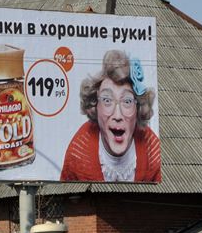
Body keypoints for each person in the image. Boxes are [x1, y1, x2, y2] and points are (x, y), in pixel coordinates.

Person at [60, 49, 160, 182]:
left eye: (127, 101)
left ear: (138, 109)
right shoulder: (78, 151)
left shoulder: (153, 150)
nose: (117, 115)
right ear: (95, 106)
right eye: (107, 100)